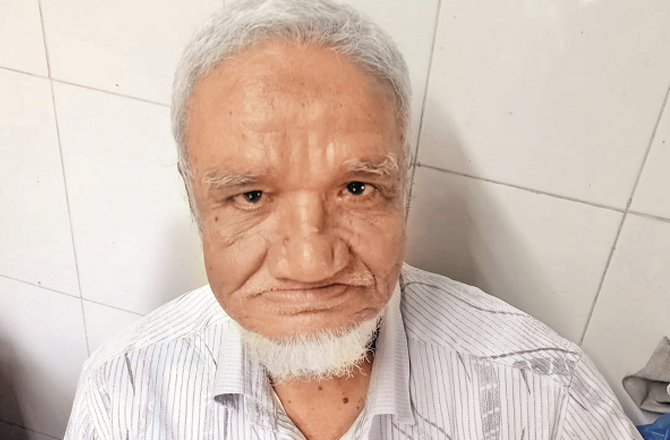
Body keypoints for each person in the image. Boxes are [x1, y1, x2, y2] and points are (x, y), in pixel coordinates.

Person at [64, 0, 641, 439]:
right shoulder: (123, 395)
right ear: (195, 203)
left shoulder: (544, 396)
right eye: (251, 196)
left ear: (402, 189)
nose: (311, 263)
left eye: (357, 188)